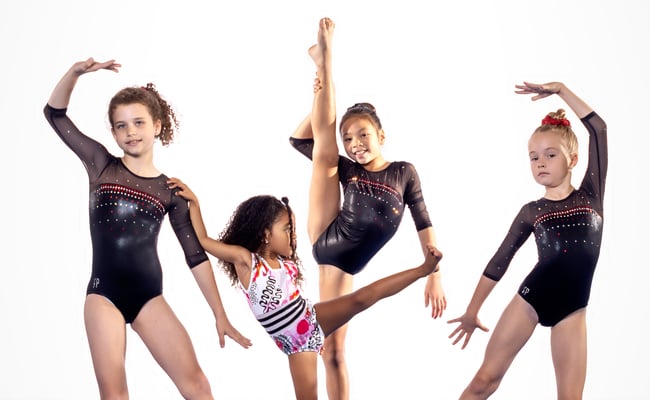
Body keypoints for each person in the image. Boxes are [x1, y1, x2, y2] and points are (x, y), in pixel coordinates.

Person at [43, 58, 251, 399]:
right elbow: (55, 115)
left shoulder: (171, 191)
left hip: (149, 298)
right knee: (116, 394)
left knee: (197, 385)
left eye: (138, 122)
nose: (130, 132)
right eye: (121, 126)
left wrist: (220, 314)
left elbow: (196, 256)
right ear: (112, 132)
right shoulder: (100, 165)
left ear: (156, 125)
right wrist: (76, 73)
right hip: (104, 295)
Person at [166, 178, 442, 400]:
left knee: (362, 299)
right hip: (296, 340)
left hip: (309, 318)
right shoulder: (246, 260)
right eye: (287, 229)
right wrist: (195, 202)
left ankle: (422, 269)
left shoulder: (285, 263)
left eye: (293, 229)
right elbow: (203, 240)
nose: (293, 236)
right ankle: (422, 270)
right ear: (265, 233)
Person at [288, 18, 447, 399]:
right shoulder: (347, 169)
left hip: (346, 266)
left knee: (336, 353)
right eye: (350, 137)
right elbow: (298, 140)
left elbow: (424, 222)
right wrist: (320, 97)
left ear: (381, 136)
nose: (355, 143)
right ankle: (327, 63)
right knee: (324, 150)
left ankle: (322, 66)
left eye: (363, 135)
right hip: (327, 238)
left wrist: (434, 274)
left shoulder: (404, 173)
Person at [447, 81, 607, 399]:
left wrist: (562, 90)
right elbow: (498, 262)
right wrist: (472, 310)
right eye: (533, 157)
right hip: (531, 300)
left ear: (573, 160)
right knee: (484, 381)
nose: (541, 162)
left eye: (550, 155)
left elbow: (599, 130)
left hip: (573, 310)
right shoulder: (532, 211)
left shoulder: (591, 195)